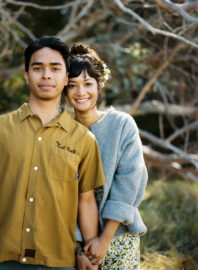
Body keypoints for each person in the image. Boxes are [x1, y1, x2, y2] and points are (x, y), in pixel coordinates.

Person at [0, 36, 106, 270]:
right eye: (38, 68)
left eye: (55, 68)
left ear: (65, 78)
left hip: (61, 263)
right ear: (26, 76)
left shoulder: (84, 140)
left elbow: (86, 200)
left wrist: (88, 256)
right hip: (3, 261)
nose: (46, 75)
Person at [65, 43, 148, 270]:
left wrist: (105, 239)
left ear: (100, 85)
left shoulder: (122, 124)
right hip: (73, 243)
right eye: (73, 85)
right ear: (64, 89)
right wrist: (77, 248)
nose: (81, 92)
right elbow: (59, 196)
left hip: (118, 236)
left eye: (88, 84)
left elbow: (130, 181)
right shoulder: (61, 132)